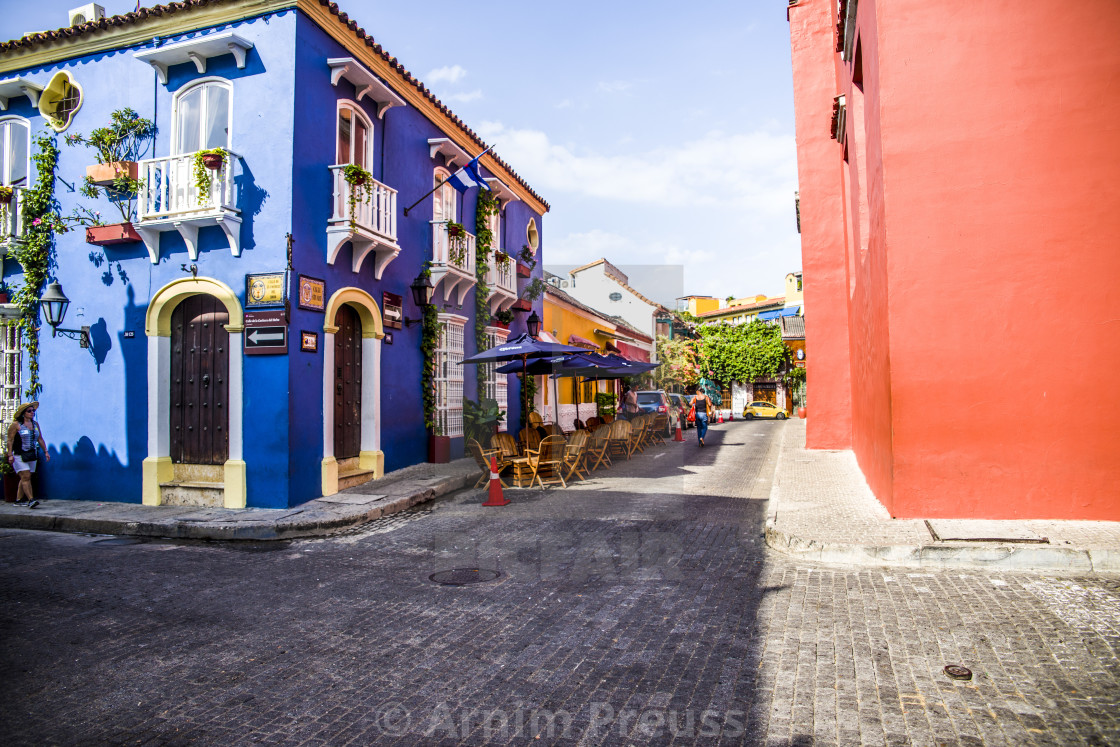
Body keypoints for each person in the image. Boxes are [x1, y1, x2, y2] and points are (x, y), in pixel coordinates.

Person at [7, 401, 47, 508]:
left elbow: (40, 439)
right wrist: (10, 454)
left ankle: (18, 500)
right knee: (26, 476)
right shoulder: (16, 425)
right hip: (19, 454)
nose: (32, 412)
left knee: (25, 478)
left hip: (31, 454)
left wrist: (46, 451)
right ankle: (31, 499)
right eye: (29, 411)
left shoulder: (35, 425)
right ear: (23, 413)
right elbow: (10, 440)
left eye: (33, 411)